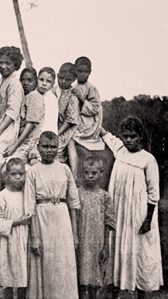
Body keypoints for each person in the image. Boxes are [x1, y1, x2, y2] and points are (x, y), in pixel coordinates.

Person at [100, 117, 163, 299]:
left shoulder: (147, 159)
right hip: (119, 211)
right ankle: (115, 290)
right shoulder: (119, 150)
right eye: (125, 136)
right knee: (117, 248)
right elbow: (104, 133)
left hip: (138, 215)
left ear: (140, 136)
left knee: (140, 252)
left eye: (133, 136)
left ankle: (141, 293)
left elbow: (153, 193)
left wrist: (148, 220)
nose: (128, 140)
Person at [25, 131, 80, 299]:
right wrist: (34, 236)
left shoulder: (65, 169)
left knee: (63, 264)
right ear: (38, 147)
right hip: (42, 220)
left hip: (62, 220)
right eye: (45, 146)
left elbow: (73, 202)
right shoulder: (32, 171)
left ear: (59, 148)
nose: (49, 150)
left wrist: (75, 233)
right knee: (45, 264)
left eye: (53, 147)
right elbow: (30, 205)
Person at [0, 46, 24, 203]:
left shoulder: (14, 83)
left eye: (8, 63)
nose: (3, 66)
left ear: (15, 66)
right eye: (0, 63)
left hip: (8, 128)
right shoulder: (0, 82)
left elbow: (12, 113)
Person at [0, 158, 31, 299]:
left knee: (23, 278)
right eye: (14, 174)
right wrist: (18, 222)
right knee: (8, 278)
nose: (18, 177)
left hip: (24, 240)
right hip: (7, 242)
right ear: (6, 176)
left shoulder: (27, 195)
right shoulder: (2, 196)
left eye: (21, 174)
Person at [77, 156, 116, 299]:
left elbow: (109, 222)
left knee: (95, 276)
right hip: (81, 239)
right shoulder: (77, 193)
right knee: (81, 275)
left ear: (101, 173)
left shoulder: (104, 196)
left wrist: (105, 245)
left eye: (94, 173)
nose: (90, 176)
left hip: (97, 242)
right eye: (86, 172)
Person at [3, 67, 43, 166]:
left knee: (8, 168)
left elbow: (31, 125)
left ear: (36, 82)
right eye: (23, 80)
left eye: (29, 80)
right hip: (22, 142)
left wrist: (14, 146)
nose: (25, 83)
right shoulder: (24, 97)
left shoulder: (33, 95)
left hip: (28, 143)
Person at [52, 62, 80, 178]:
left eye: (68, 80)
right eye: (61, 78)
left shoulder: (72, 95)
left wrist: (58, 133)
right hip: (53, 123)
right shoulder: (52, 90)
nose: (63, 82)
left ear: (73, 80)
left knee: (70, 144)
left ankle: (74, 176)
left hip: (67, 126)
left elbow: (70, 120)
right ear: (57, 76)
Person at [72, 56, 104, 152]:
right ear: (75, 71)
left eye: (85, 72)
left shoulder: (91, 89)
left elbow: (95, 109)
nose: (82, 74)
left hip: (88, 122)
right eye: (79, 71)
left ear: (90, 72)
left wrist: (81, 98)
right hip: (75, 119)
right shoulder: (73, 86)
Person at [28, 67, 59, 165]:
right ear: (37, 79)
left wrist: (37, 145)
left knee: (35, 163)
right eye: (41, 80)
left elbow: (48, 125)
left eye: (48, 81)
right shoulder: (32, 94)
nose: (44, 83)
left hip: (42, 139)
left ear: (53, 84)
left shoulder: (51, 100)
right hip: (29, 137)